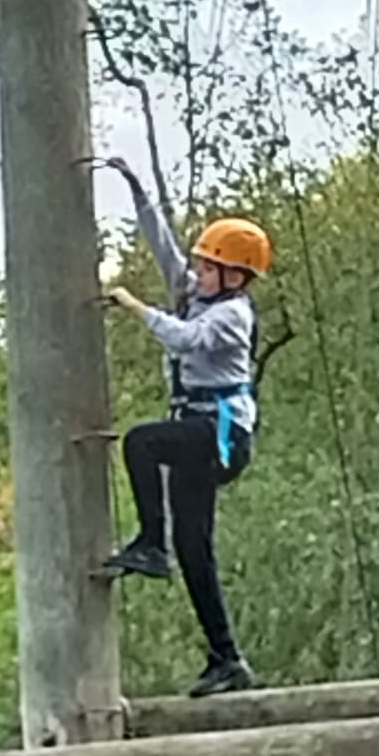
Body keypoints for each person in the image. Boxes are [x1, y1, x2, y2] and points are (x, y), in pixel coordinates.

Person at [99, 155, 272, 698]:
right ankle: (227, 658)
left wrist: (133, 305)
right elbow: (163, 244)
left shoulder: (231, 315)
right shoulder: (200, 293)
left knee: (142, 443)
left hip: (221, 436)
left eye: (207, 269)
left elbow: (186, 341)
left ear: (234, 276)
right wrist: (136, 189)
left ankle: (151, 543)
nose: (196, 275)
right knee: (195, 550)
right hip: (198, 430)